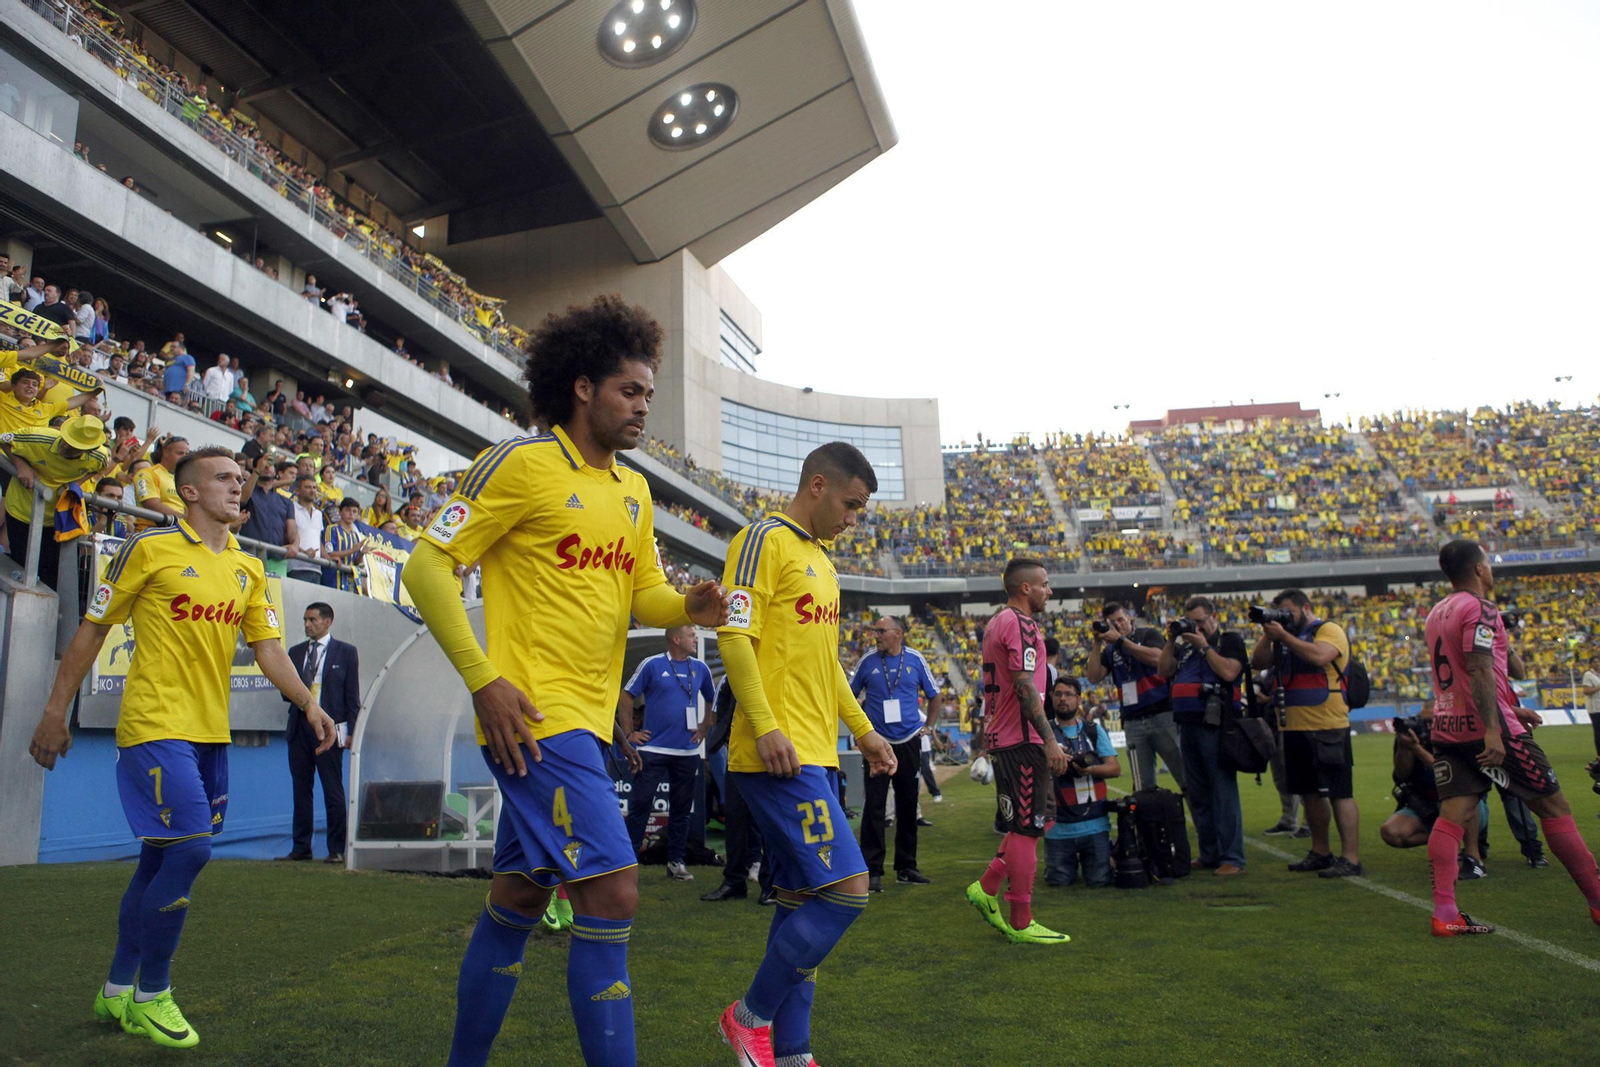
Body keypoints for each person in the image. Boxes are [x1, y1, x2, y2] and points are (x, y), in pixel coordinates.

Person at [401, 294, 729, 1067]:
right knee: (613, 892)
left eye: (648, 393)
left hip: (586, 721)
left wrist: (688, 603)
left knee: (518, 898)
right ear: (582, 387)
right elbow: (426, 564)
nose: (644, 406)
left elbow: (640, 591)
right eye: (630, 390)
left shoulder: (634, 489)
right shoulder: (522, 464)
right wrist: (484, 680)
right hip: (532, 719)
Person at [27, 445, 335, 1049]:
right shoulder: (150, 549)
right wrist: (52, 711)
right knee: (191, 849)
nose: (236, 485)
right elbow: (93, 629)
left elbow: (270, 649)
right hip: (153, 725)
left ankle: (116, 988)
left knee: (160, 857)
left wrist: (308, 702)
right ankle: (153, 994)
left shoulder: (248, 569)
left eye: (239, 479)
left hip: (208, 732)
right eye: (222, 477)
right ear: (188, 492)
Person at [714, 440, 896, 1067]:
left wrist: (864, 731)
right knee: (848, 889)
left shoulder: (823, 561)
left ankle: (790, 1053)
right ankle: (748, 1018)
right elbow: (734, 639)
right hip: (776, 754)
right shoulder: (762, 540)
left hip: (816, 752)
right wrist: (763, 725)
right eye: (851, 504)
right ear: (818, 485)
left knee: (801, 901)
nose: (854, 519)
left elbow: (826, 665)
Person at [1421, 539, 1600, 936]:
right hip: (1488, 730)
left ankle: (1445, 914)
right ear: (1479, 569)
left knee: (1452, 816)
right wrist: (1494, 727)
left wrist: (1506, 707)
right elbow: (1480, 670)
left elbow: (1465, 675)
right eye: (1489, 562)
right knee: (1555, 807)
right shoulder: (1480, 608)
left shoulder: (1436, 612)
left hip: (1449, 727)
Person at [965, 557, 1071, 946]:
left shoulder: (996, 622)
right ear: (1025, 588)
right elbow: (1025, 686)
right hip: (1022, 740)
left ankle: (987, 886)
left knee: (1026, 823)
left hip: (1007, 737)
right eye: (1044, 583)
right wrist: (1050, 740)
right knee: (1027, 828)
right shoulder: (1021, 624)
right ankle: (1021, 922)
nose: (1049, 590)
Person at [1251, 589, 1362, 878]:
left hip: (1328, 724)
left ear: (1306, 608)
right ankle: (1321, 851)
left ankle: (1350, 857)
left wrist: (1285, 637)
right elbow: (1258, 662)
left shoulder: (1328, 630)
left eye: (1289, 612)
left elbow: (1319, 656)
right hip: (1294, 726)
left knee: (1340, 792)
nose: (1286, 618)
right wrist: (1269, 633)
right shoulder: (1283, 639)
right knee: (1309, 793)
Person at [1158, 597, 1249, 876]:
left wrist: (1204, 646)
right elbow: (1163, 671)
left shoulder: (1229, 641)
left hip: (1217, 726)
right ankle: (1209, 853)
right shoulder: (1185, 649)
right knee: (1197, 794)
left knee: (1222, 792)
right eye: (1191, 622)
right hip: (1187, 724)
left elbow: (1230, 672)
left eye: (1200, 621)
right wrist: (1172, 640)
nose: (1195, 627)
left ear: (1214, 617)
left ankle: (1232, 857)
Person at [851, 614, 941, 890]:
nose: (875, 635)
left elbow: (934, 695)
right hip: (878, 744)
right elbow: (849, 696)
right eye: (875, 631)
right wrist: (861, 732)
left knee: (907, 804)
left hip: (909, 741)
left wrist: (928, 727)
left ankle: (906, 867)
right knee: (875, 806)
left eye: (880, 631)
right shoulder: (867, 661)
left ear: (897, 633)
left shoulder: (915, 659)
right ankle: (873, 870)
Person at [621, 624, 717, 879]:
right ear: (676, 638)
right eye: (691, 635)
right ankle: (628, 862)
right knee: (641, 803)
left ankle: (676, 861)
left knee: (682, 808)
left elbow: (712, 698)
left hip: (686, 752)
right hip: (653, 749)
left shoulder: (701, 668)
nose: (695, 639)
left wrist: (705, 726)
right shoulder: (651, 664)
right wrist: (630, 733)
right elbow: (626, 695)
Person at [278, 602, 359, 863]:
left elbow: (351, 696)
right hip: (299, 727)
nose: (307, 625)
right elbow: (285, 692)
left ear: (327, 622)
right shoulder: (295, 652)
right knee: (301, 789)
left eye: (312, 620)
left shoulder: (346, 652)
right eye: (304, 620)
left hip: (329, 729)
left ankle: (336, 849)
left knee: (332, 789)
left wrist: (352, 731)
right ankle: (301, 848)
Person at [1379, 703, 1490, 879]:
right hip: (1427, 803)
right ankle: (1446, 839)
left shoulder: (1456, 734)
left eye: (1431, 721)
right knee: (1391, 832)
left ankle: (1472, 857)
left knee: (1465, 796)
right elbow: (1401, 774)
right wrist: (1404, 747)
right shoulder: (1414, 735)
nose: (1427, 726)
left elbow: (1448, 773)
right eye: (1423, 721)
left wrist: (1418, 750)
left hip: (1466, 804)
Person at [1, 415, 112, 588]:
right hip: (21, 511)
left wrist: (76, 483)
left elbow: (101, 467)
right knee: (21, 566)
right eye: (67, 439)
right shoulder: (38, 437)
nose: (66, 445)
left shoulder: (99, 456)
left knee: (50, 574)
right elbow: (3, 439)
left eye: (75, 445)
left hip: (55, 519)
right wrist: (20, 465)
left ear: (88, 449)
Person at [1085, 600, 1184, 791]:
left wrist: (1121, 641)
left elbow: (1157, 658)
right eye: (1113, 623)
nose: (1118, 625)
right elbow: (1093, 676)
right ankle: (1149, 820)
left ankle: (1203, 820)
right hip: (1132, 721)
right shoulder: (1110, 650)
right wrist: (1097, 643)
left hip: (1163, 715)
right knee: (1142, 785)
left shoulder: (1148, 634)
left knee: (1185, 776)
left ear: (1129, 618)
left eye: (1121, 619)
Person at [1044, 678, 1120, 888]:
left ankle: (1108, 857)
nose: (1062, 699)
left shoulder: (1092, 730)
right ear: (1051, 698)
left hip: (1095, 825)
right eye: (1058, 694)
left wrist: (1090, 769)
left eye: (1068, 694)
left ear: (1078, 699)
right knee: (1058, 882)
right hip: (1057, 827)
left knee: (1100, 881)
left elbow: (1114, 768)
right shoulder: (1044, 733)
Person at [133, 436, 188, 529]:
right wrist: (184, 520)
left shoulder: (186, 479)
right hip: (151, 531)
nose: (184, 457)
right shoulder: (147, 473)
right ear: (165, 452)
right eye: (180, 453)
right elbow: (152, 504)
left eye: (186, 454)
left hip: (178, 531)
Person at [321, 497, 367, 593]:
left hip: (349, 583)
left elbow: (356, 562)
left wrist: (362, 553)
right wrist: (351, 550)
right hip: (332, 579)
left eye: (354, 511)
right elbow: (329, 554)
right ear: (340, 511)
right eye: (347, 510)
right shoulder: (331, 529)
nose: (351, 514)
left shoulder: (355, 535)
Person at [286, 474, 325, 584]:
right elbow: (287, 535)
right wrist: (304, 552)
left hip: (317, 568)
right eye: (308, 487)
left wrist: (329, 558)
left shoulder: (319, 514)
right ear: (297, 490)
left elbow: (318, 539)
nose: (312, 491)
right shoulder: (291, 508)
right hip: (296, 567)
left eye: (314, 487)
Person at [1584, 654, 1600, 759]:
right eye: (1594, 662)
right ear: (1590, 664)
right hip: (1595, 707)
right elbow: (1586, 691)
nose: (1597, 664)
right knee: (1598, 731)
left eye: (1598, 661)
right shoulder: (1588, 675)